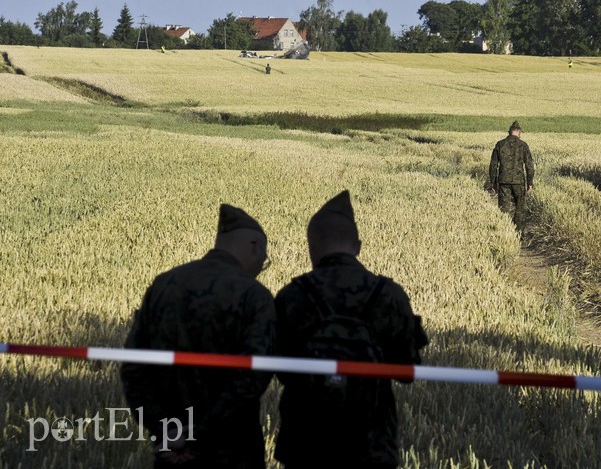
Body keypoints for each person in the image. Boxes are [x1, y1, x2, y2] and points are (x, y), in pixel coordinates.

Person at [274, 190, 428, 468]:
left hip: (305, 445)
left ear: (311, 246)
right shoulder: (388, 295)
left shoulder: (292, 296)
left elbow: (279, 368)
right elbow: (407, 371)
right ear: (358, 246)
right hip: (371, 447)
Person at [121, 204, 276, 468]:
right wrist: (199, 436)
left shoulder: (163, 285)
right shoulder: (254, 296)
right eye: (264, 256)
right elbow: (251, 379)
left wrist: (167, 431)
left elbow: (133, 368)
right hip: (233, 454)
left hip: (171, 453)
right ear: (254, 246)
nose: (262, 263)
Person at [488, 120, 535, 232]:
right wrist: (530, 183)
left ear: (509, 132)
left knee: (504, 208)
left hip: (504, 181)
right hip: (519, 182)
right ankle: (519, 234)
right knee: (520, 208)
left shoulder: (500, 144)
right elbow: (529, 166)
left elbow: (493, 165)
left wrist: (493, 182)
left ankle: (504, 232)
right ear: (519, 133)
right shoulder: (523, 145)